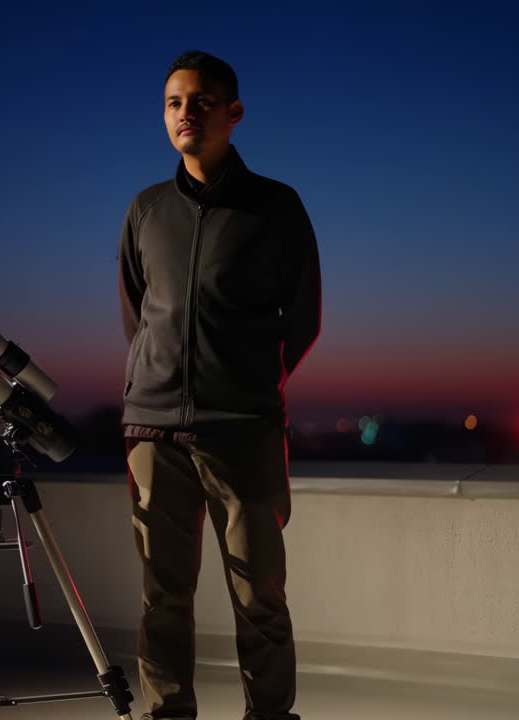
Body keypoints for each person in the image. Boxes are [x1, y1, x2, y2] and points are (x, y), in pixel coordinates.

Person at [116, 50, 321, 720]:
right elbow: (138, 312)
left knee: (260, 594)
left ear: (234, 114)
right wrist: (158, 381)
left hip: (243, 428)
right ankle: (166, 714)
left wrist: (245, 382)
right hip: (153, 431)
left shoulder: (276, 208)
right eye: (174, 102)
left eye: (201, 101)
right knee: (163, 597)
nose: (186, 114)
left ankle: (270, 714)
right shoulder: (146, 210)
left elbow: (305, 315)